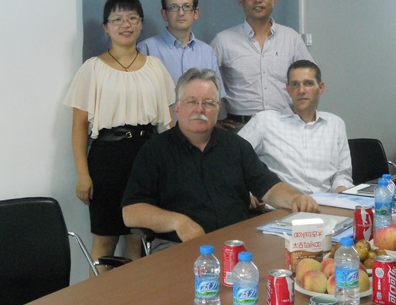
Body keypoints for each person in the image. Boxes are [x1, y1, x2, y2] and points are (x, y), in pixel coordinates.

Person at [121, 68, 319, 246]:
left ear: (218, 109)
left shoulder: (236, 146)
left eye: (208, 103)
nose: (200, 109)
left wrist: (296, 198)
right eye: (191, 102)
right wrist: (177, 222)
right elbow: (131, 212)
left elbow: (269, 187)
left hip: (237, 242)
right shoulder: (154, 150)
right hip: (179, 246)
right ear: (177, 109)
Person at [64, 0, 175, 265]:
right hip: (107, 160)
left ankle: (135, 293)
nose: (126, 25)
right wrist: (82, 175)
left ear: (141, 23)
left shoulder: (155, 67)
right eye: (117, 19)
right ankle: (98, 294)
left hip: (147, 158)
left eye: (132, 18)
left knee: (138, 238)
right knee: (105, 239)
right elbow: (79, 126)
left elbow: (169, 123)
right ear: (106, 26)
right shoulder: (92, 69)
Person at [211, 0, 313, 130]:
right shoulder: (223, 40)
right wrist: (211, 122)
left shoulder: (291, 38)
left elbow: (310, 80)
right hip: (240, 127)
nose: (258, 0)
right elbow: (203, 83)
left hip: (285, 125)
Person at [239, 60, 353, 196]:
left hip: (325, 204)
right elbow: (229, 158)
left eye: (308, 83)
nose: (301, 91)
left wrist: (342, 196)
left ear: (320, 88)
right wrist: (247, 193)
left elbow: (342, 174)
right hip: (281, 205)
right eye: (295, 84)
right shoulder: (264, 122)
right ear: (288, 89)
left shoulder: (335, 124)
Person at [137, 0, 225, 98]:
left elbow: (217, 97)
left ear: (196, 13)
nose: (181, 13)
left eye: (186, 6)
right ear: (164, 14)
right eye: (173, 7)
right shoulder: (146, 49)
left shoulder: (207, 52)